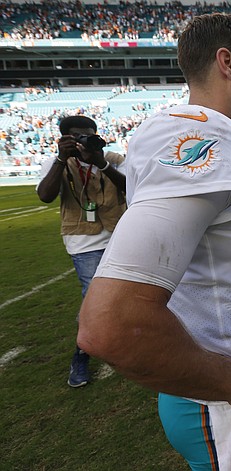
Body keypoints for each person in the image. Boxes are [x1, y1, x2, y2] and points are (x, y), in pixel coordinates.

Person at [77, 12, 231, 471]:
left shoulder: (198, 132)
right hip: (222, 404)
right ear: (227, 63)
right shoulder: (200, 139)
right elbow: (109, 323)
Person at [36, 115, 126, 388]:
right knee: (93, 299)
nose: (84, 141)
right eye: (77, 137)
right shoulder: (56, 164)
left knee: (125, 294)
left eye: (90, 135)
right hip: (82, 241)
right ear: (65, 139)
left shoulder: (114, 159)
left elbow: (129, 187)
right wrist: (62, 160)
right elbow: (45, 195)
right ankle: (82, 354)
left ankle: (123, 344)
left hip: (120, 235)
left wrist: (100, 161)